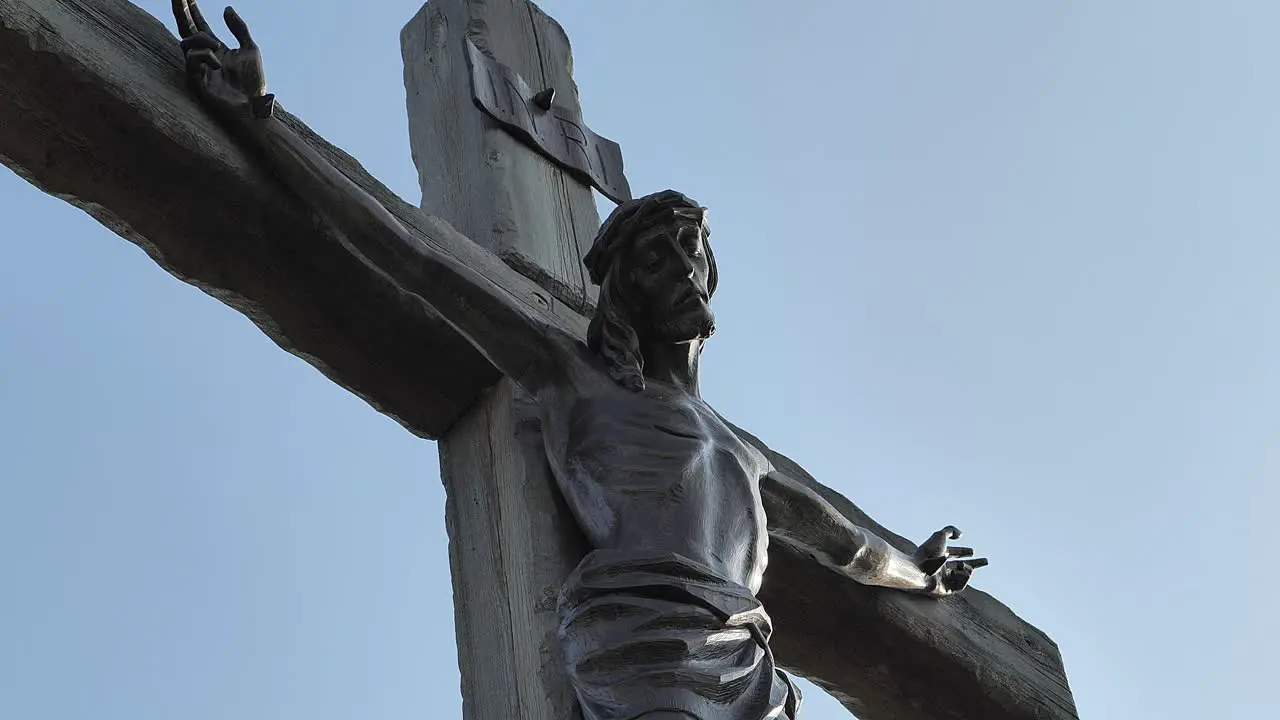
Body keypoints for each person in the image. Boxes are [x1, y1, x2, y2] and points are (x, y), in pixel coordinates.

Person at [170, 5, 987, 718]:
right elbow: (408, 256)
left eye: (691, 251)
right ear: (622, 290)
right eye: (657, 258)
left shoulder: (746, 454)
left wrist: (921, 574)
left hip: (746, 657)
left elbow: (851, 549)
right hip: (649, 650)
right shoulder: (571, 375)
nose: (683, 270)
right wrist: (263, 120)